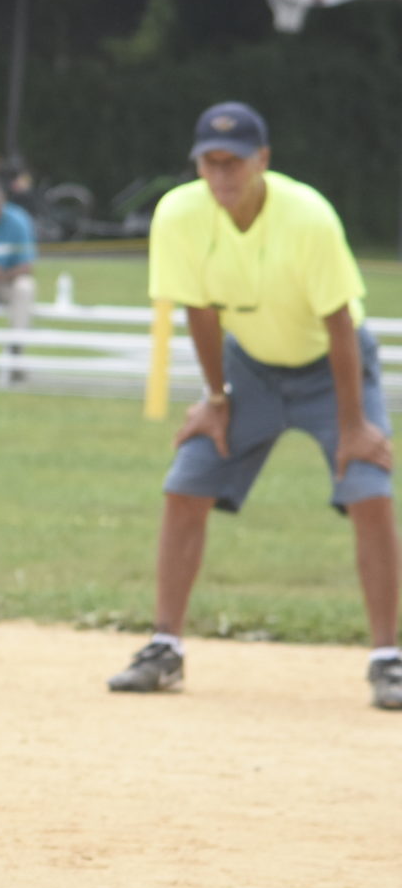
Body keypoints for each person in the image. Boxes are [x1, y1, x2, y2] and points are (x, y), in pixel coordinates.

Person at [105, 102, 400, 709]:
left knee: (368, 488)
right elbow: (200, 311)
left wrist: (353, 425)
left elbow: (340, 323)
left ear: (262, 160)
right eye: (209, 162)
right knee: (185, 484)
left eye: (233, 161)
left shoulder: (307, 216)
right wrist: (216, 399)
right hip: (251, 370)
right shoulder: (179, 214)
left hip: (334, 367)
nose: (220, 175)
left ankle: (387, 659)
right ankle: (165, 648)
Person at [0, 175, 38, 380]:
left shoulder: (18, 221)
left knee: (25, 287)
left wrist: (3, 275)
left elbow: (28, 265)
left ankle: (14, 355)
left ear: (3, 203)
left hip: (7, 283)